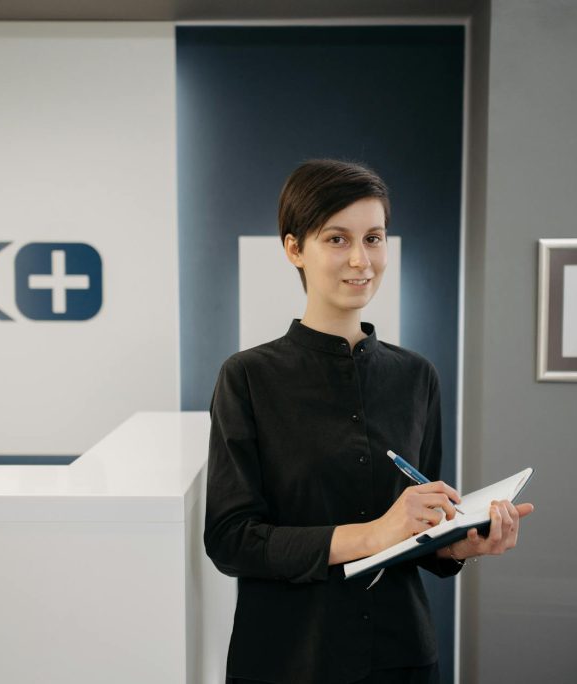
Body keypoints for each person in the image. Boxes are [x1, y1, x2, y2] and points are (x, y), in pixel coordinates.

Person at [204, 159, 535, 684]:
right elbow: (231, 539)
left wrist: (457, 545)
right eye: (337, 239)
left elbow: (423, 525)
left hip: (399, 655)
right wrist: (375, 533)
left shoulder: (416, 376)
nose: (361, 260)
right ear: (294, 248)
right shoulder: (248, 377)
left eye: (374, 238)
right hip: (287, 659)